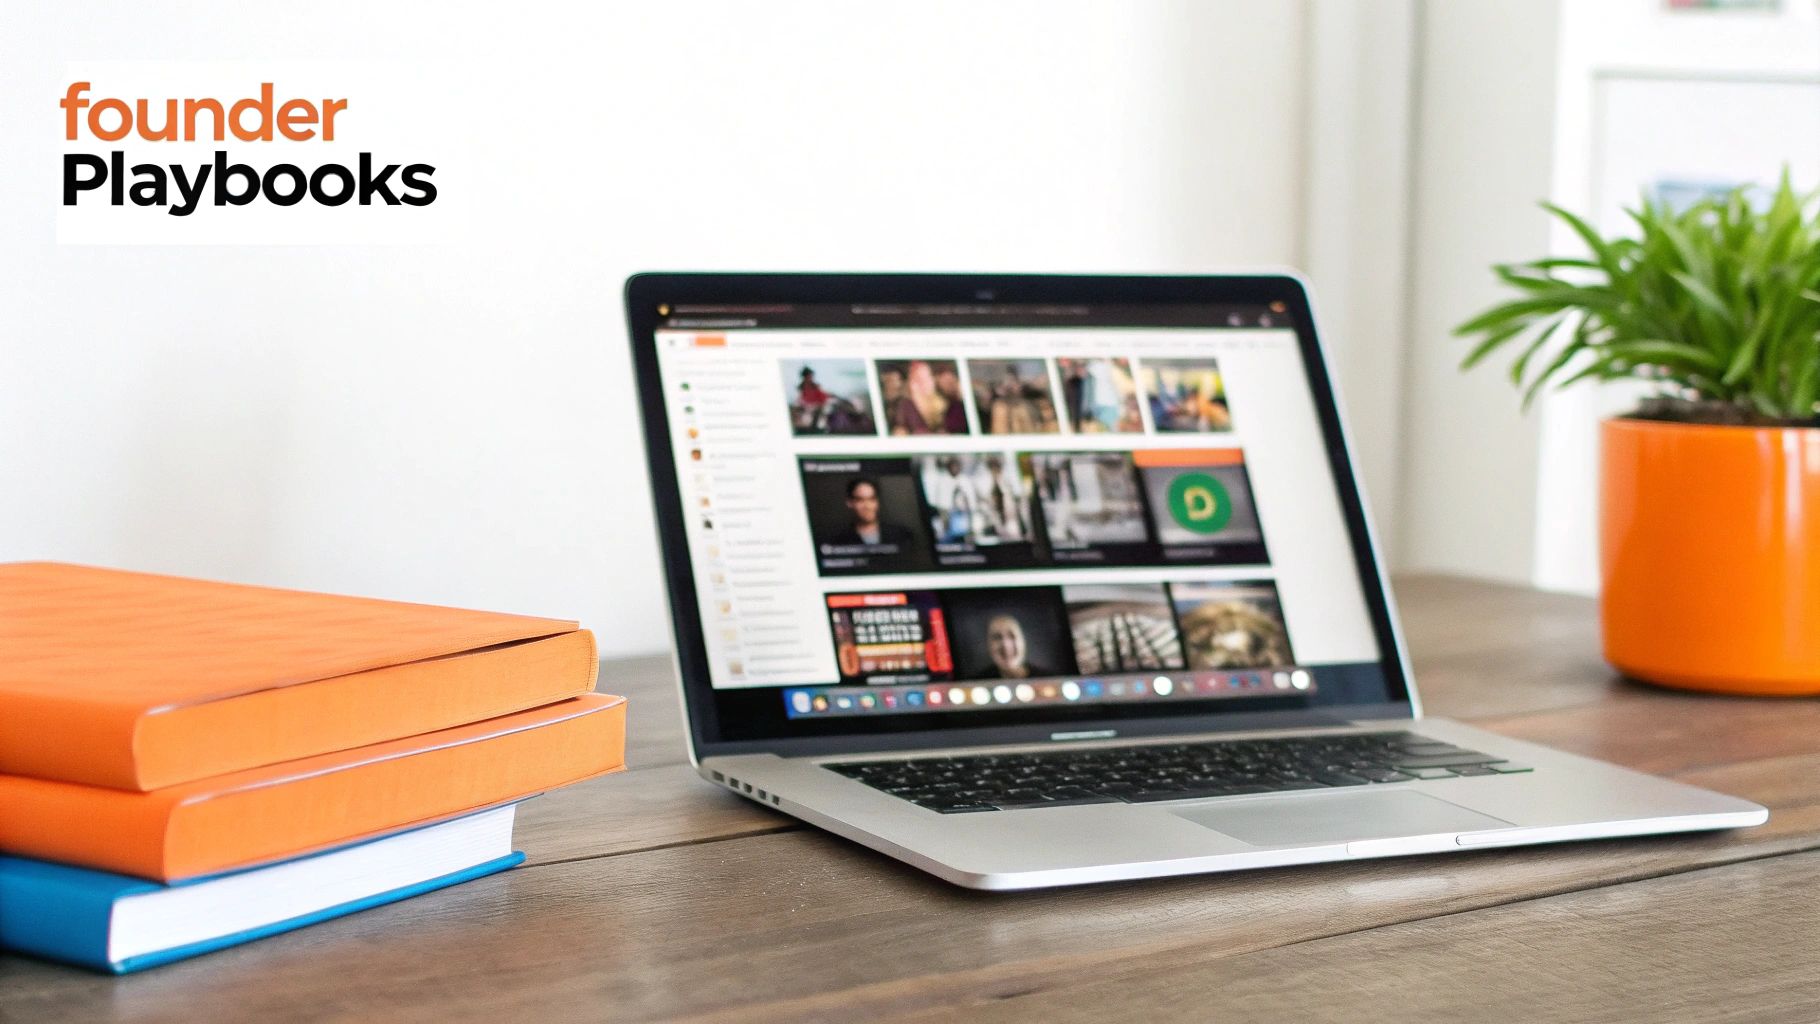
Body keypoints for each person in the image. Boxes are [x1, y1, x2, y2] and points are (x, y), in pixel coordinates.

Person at [829, 478, 915, 547]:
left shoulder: (902, 534)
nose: (867, 506)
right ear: (850, 503)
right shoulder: (839, 542)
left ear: (877, 502)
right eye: (860, 500)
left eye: (872, 499)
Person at [980, 614, 1055, 679]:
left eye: (1012, 636)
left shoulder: (1050, 678)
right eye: (997, 637)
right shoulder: (978, 681)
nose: (1006, 645)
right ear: (988, 645)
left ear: (1023, 641)